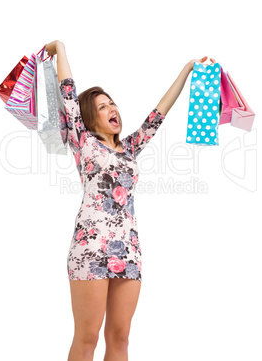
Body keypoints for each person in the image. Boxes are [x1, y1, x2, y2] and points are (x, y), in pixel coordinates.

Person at [45, 40, 215, 361]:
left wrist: (188, 69)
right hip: (91, 248)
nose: (113, 110)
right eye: (103, 107)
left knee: (120, 337)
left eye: (113, 104)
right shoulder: (83, 141)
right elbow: (68, 93)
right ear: (88, 119)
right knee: (88, 337)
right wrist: (61, 49)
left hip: (128, 249)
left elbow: (159, 113)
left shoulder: (131, 147)